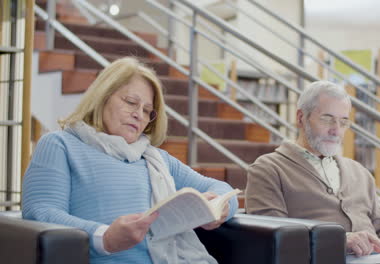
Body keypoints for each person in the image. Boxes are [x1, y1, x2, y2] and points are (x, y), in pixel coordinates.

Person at [22, 57, 238, 264]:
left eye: (147, 111)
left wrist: (220, 207)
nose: (139, 115)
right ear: (103, 96)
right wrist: (104, 237)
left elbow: (221, 188)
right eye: (131, 102)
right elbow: (41, 212)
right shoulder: (60, 145)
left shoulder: (156, 158)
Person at [245, 80, 380, 264]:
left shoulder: (358, 171)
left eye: (343, 122)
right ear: (301, 117)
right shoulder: (268, 169)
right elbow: (271, 234)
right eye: (327, 119)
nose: (336, 130)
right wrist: (340, 240)